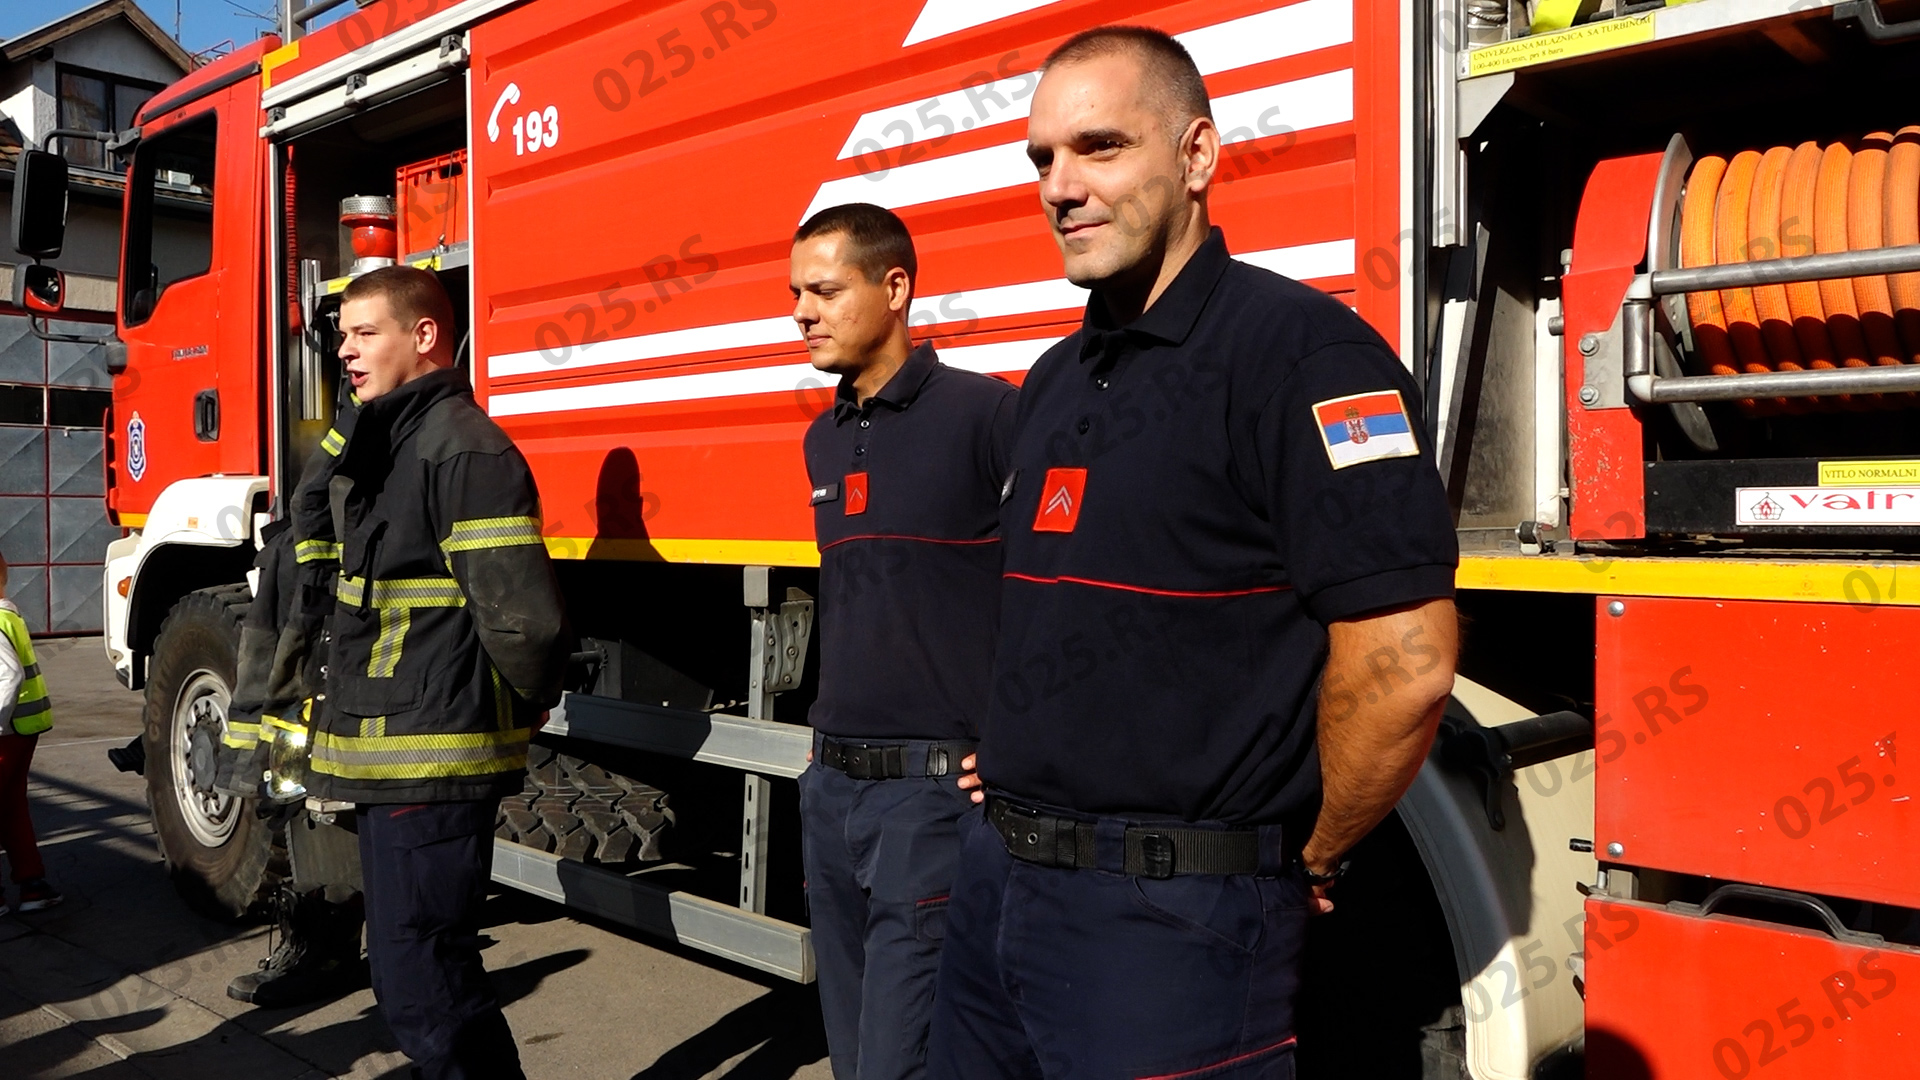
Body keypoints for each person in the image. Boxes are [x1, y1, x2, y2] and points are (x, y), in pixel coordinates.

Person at [928, 27, 1460, 1079]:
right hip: (996, 890)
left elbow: (1406, 663)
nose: (1060, 187)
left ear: (1198, 155)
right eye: (1043, 159)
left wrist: (1313, 855)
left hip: (1170, 926)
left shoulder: (1305, 357)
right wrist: (1020, 751)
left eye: (1100, 147)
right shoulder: (1053, 379)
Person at [306, 265, 571, 1080]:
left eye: (365, 333)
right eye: (342, 335)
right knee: (414, 970)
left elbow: (523, 618)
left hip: (432, 750)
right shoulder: (391, 440)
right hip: (396, 746)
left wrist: (527, 698)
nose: (345, 351)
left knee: (422, 972)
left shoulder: (461, 448)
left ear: (424, 335)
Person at [792, 203, 1016, 1080]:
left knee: (902, 1060)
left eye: (824, 291)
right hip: (830, 790)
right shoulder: (821, 439)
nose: (803, 313)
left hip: (929, 800)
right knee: (852, 1057)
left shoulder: (988, 415)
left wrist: (1020, 735)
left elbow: (1055, 590)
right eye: (796, 294)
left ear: (895, 289)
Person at [0, 554, 62, 915]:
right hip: (23, 730)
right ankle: (32, 885)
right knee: (12, 806)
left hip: (6, 733)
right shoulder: (10, 617)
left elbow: (9, 675)